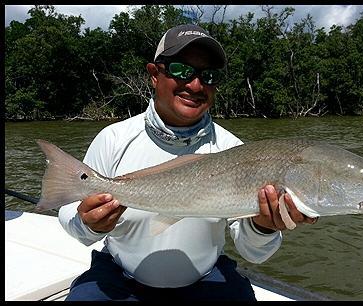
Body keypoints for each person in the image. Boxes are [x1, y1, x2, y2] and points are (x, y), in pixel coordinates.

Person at [59, 24, 317, 301]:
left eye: (208, 76)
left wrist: (264, 226)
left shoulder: (232, 149)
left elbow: (254, 253)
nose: (195, 85)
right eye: (182, 70)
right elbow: (74, 225)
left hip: (206, 280)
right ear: (154, 74)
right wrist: (90, 225)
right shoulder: (113, 139)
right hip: (121, 278)